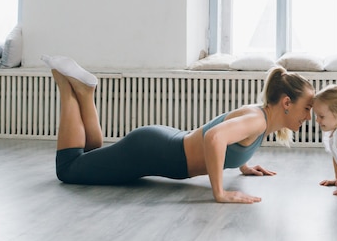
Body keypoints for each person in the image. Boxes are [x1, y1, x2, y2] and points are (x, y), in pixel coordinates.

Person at [42, 55, 314, 204]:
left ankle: (86, 92)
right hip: (152, 152)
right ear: (287, 102)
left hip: (157, 145)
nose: (309, 116)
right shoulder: (257, 121)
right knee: (68, 168)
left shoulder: (260, 117)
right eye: (307, 108)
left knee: (90, 156)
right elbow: (215, 136)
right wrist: (219, 193)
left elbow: (230, 137)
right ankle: (65, 86)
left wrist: (243, 165)